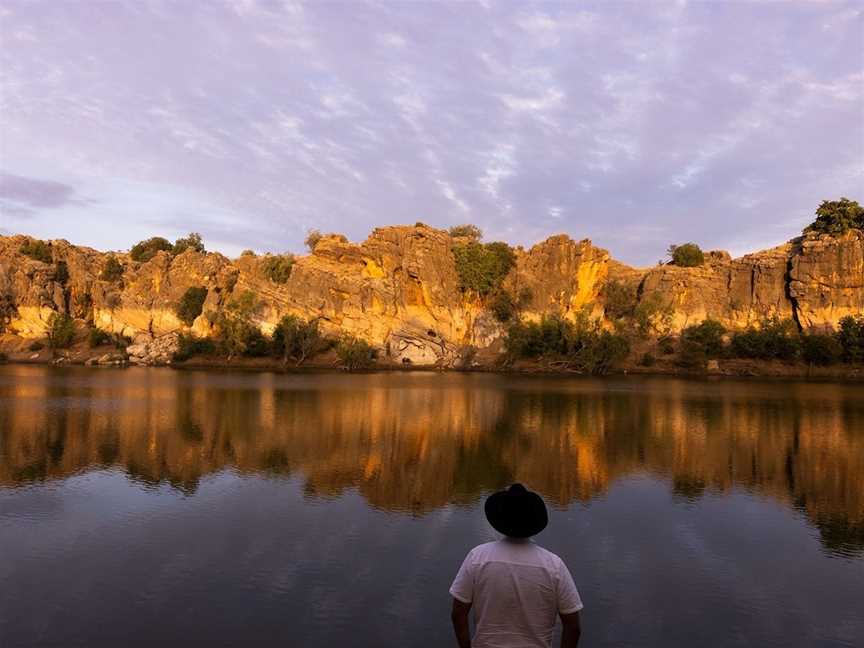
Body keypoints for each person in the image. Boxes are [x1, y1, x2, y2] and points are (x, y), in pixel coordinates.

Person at [449, 483, 583, 648]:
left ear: (500, 518)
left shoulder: (478, 557)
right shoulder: (553, 565)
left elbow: (458, 613)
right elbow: (573, 626)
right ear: (533, 521)